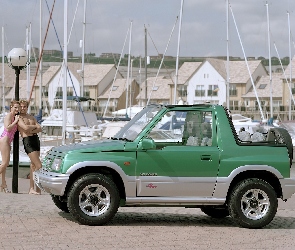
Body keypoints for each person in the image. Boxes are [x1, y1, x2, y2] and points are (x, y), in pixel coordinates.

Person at [18, 99, 42, 195]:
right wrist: (33, 127)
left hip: (36, 140)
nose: (23, 108)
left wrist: (31, 130)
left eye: (25, 106)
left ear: (27, 107)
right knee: (39, 165)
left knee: (33, 165)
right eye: (21, 106)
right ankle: (37, 187)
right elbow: (25, 128)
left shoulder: (31, 117)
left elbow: (39, 128)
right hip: (28, 141)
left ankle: (33, 188)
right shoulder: (18, 117)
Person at [0, 100, 20, 193]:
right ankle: (3, 184)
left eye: (18, 107)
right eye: (15, 107)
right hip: (4, 140)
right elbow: (7, 127)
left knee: (4, 164)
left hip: (8, 141)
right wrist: (15, 121)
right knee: (5, 163)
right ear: (11, 107)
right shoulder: (9, 116)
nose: (17, 109)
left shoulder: (16, 116)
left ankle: (3, 184)